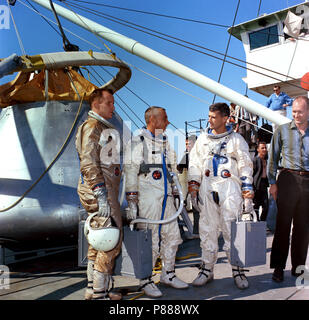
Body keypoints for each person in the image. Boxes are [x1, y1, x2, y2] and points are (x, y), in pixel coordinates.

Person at [124, 106, 188, 298]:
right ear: (153, 119)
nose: (168, 121)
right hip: (148, 197)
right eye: (165, 118)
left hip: (166, 196)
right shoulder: (138, 141)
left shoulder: (165, 141)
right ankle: (146, 279)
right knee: (150, 241)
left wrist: (176, 189)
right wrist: (132, 201)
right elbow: (130, 171)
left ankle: (168, 274)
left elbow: (172, 167)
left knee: (172, 236)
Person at [188, 102, 254, 290]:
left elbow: (245, 166)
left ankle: (238, 270)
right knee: (207, 230)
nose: (209, 119)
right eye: (209, 116)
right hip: (208, 188)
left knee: (231, 230)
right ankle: (207, 269)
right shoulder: (202, 140)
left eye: (213, 117)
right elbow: (194, 165)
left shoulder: (236, 139)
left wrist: (247, 195)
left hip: (229, 189)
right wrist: (193, 188)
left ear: (225, 118)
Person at [75, 88, 122, 300]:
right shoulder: (93, 127)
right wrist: (100, 193)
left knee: (98, 240)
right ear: (96, 104)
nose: (113, 107)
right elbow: (88, 161)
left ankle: (92, 289)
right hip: (100, 191)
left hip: (101, 189)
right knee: (110, 240)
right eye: (109, 103)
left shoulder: (100, 127)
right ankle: (100, 294)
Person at [268, 96, 309, 283]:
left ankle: (298, 268)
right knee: (283, 225)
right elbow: (273, 158)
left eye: (300, 111)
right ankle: (278, 268)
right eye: (294, 112)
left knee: (303, 227)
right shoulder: (282, 131)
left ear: (308, 111)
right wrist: (272, 183)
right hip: (287, 178)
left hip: (307, 181)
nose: (296, 115)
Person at [177, 135, 199, 235]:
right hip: (199, 187)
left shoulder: (189, 155)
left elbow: (179, 168)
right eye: (186, 144)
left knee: (197, 210)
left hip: (198, 188)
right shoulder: (201, 154)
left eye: (188, 144)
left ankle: (197, 231)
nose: (187, 146)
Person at [252, 141, 269, 221]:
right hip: (256, 185)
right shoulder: (255, 160)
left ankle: (262, 223)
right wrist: (252, 187)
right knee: (256, 206)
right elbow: (252, 174)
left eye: (265, 147)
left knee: (266, 206)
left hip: (264, 184)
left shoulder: (267, 160)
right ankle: (256, 224)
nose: (264, 149)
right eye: (262, 148)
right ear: (258, 149)